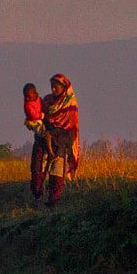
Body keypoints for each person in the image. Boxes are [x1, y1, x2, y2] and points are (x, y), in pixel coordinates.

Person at [29, 74, 79, 207]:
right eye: (51, 86)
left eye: (55, 87)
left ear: (64, 87)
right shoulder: (46, 101)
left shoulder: (70, 104)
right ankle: (37, 196)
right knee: (37, 170)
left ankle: (53, 202)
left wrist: (57, 136)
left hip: (60, 143)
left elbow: (71, 127)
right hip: (43, 141)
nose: (53, 89)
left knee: (56, 175)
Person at [23, 83, 53, 156]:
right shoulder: (27, 104)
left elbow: (43, 107)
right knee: (45, 135)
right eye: (26, 96)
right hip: (34, 122)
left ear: (34, 93)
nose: (27, 98)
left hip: (40, 120)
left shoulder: (38, 99)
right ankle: (49, 151)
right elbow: (32, 115)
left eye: (29, 96)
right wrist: (41, 116)